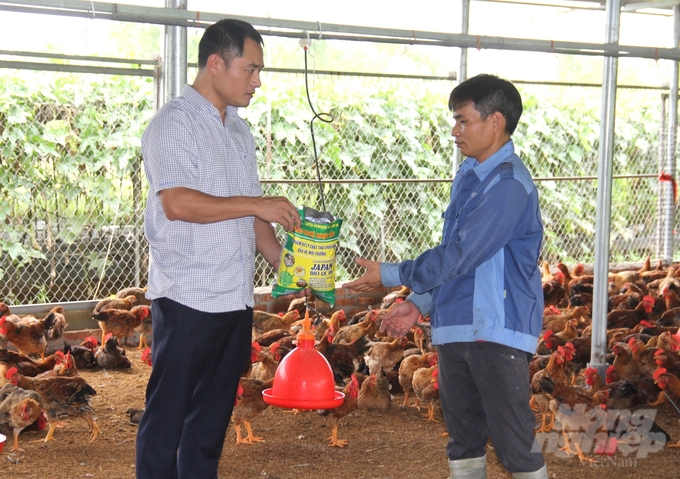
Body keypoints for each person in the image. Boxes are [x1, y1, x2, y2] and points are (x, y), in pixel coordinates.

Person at [344, 74, 547, 479]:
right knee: (463, 436)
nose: (454, 131)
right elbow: (460, 261)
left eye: (463, 120)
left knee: (512, 440)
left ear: (495, 122)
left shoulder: (507, 185)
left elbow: (461, 255)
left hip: (494, 329)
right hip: (457, 325)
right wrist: (419, 303)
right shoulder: (470, 177)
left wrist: (390, 274)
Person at [136, 19, 302, 479]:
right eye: (250, 69)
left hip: (234, 297)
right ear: (215, 63)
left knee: (209, 426)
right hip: (188, 297)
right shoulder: (175, 123)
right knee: (168, 420)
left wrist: (283, 263)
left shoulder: (239, 133)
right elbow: (177, 203)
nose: (258, 81)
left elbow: (251, 217)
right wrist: (258, 203)